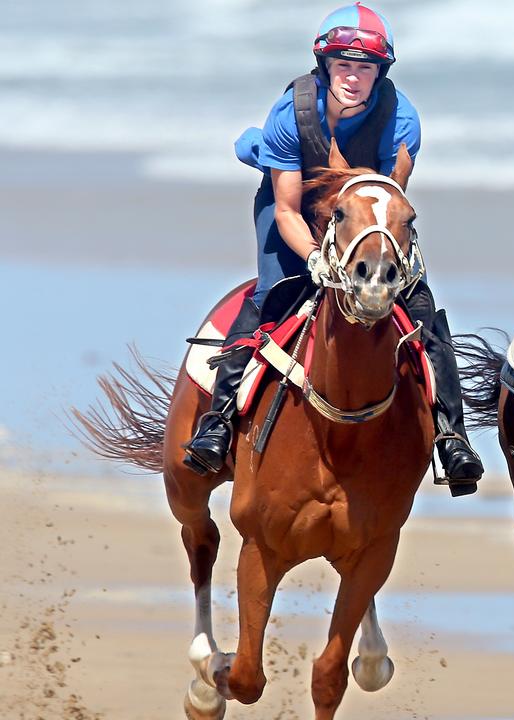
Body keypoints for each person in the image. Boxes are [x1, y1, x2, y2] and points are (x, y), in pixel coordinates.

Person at [182, 2, 484, 492]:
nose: (353, 77)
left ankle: (452, 436)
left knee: (422, 308)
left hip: (366, 217)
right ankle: (217, 422)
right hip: (296, 208)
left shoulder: (402, 119)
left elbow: (386, 203)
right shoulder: (290, 113)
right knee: (273, 294)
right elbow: (286, 208)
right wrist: (317, 258)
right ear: (325, 66)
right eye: (344, 65)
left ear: (379, 72)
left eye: (365, 68)